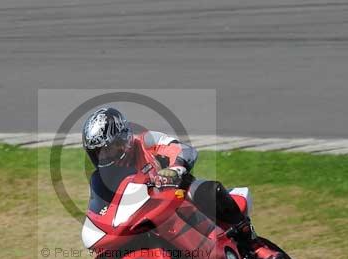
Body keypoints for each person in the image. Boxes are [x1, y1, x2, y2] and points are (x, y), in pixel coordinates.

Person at [82, 106, 257, 247]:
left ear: (122, 141)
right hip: (147, 218)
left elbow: (183, 149)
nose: (103, 156)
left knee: (208, 190)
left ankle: (248, 238)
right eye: (98, 152)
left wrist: (175, 169)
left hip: (180, 197)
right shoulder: (102, 178)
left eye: (107, 149)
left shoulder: (146, 141)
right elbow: (101, 208)